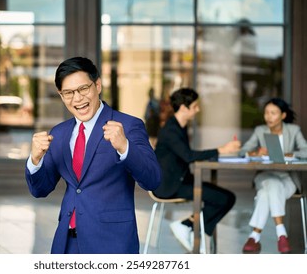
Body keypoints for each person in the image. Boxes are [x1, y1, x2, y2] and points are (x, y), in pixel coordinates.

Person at [24, 56, 161, 254]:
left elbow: (153, 180)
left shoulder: (129, 126)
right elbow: (40, 190)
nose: (77, 99)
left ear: (97, 85)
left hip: (112, 242)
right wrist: (35, 160)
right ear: (61, 96)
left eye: (83, 89)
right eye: (69, 93)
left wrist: (124, 147)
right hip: (67, 244)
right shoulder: (59, 133)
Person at [153, 87, 240, 253]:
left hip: (180, 180)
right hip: (168, 186)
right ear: (184, 108)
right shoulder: (171, 129)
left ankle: (190, 228)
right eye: (195, 106)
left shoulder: (180, 126)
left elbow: (185, 156)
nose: (198, 109)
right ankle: (187, 227)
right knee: (223, 199)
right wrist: (221, 150)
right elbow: (188, 156)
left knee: (227, 198)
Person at [239, 98, 307, 254]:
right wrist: (255, 152)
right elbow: (243, 151)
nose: (268, 117)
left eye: (273, 113)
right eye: (266, 113)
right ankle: (281, 233)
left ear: (283, 115)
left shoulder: (293, 130)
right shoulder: (260, 130)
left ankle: (254, 237)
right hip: (265, 176)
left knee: (265, 193)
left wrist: (289, 154)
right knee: (271, 183)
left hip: (287, 179)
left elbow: (306, 150)